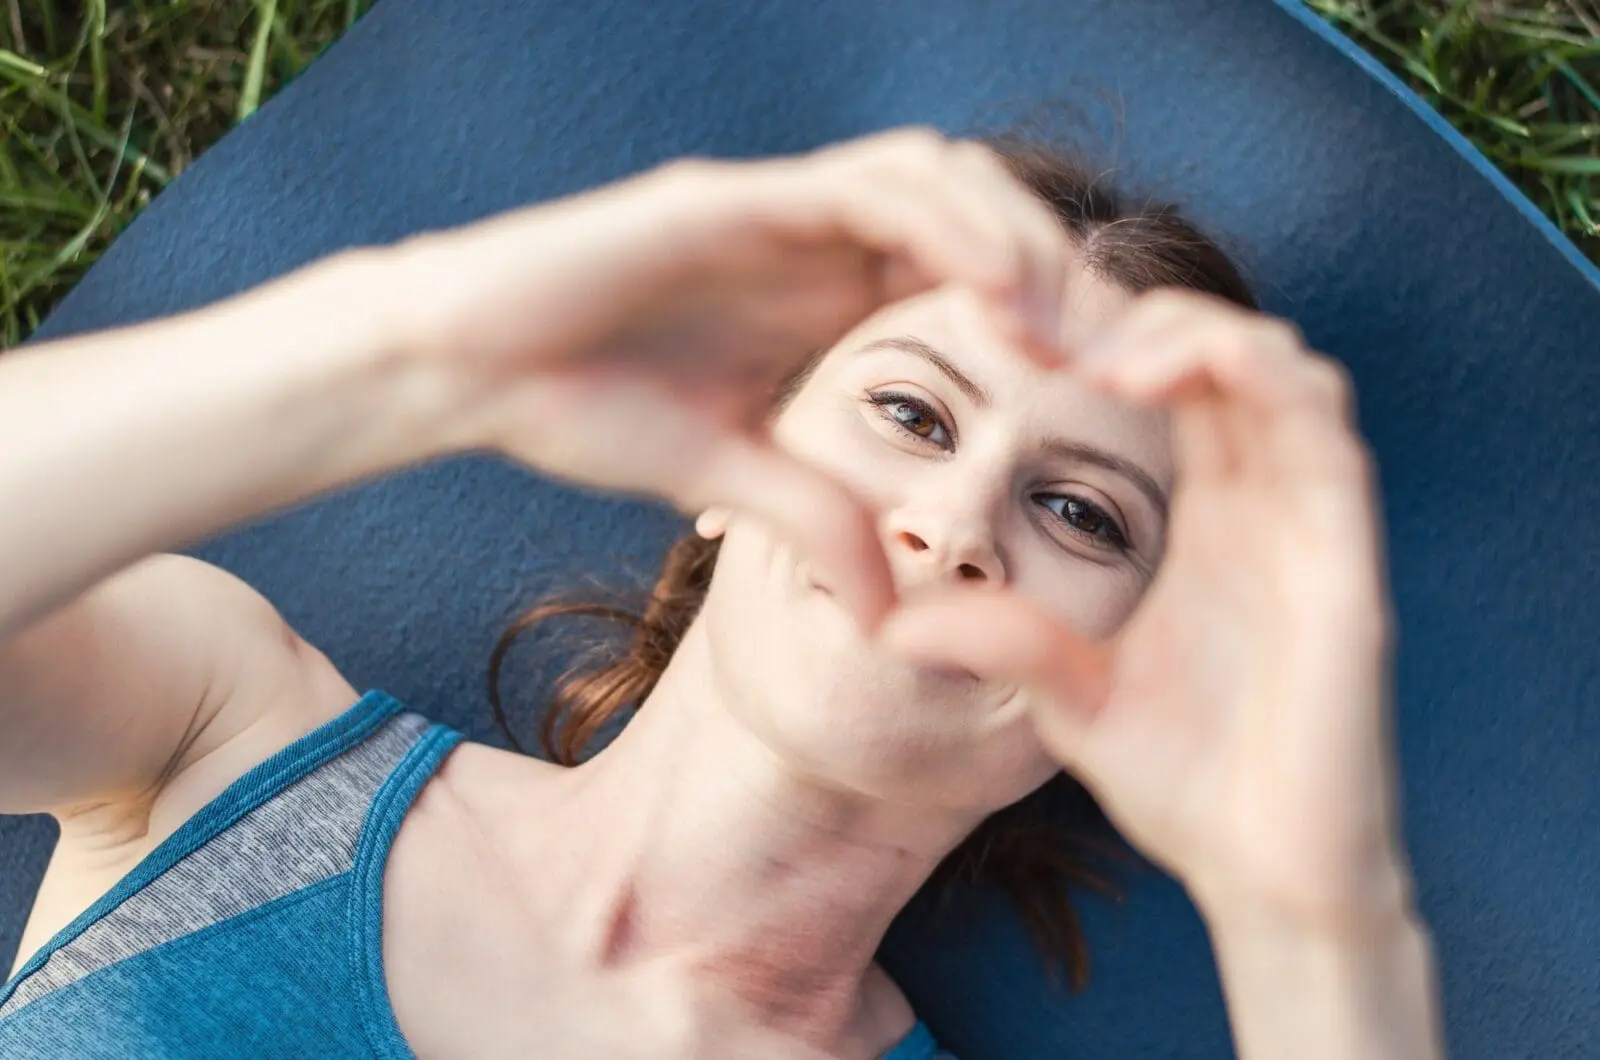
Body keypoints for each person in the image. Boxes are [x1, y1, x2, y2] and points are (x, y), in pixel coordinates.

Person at [0, 127, 1443, 1058]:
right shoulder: (215, 727)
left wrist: (1319, 921)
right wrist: (420, 358)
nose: (950, 525)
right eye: (916, 418)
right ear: (731, 444)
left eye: (1080, 511)